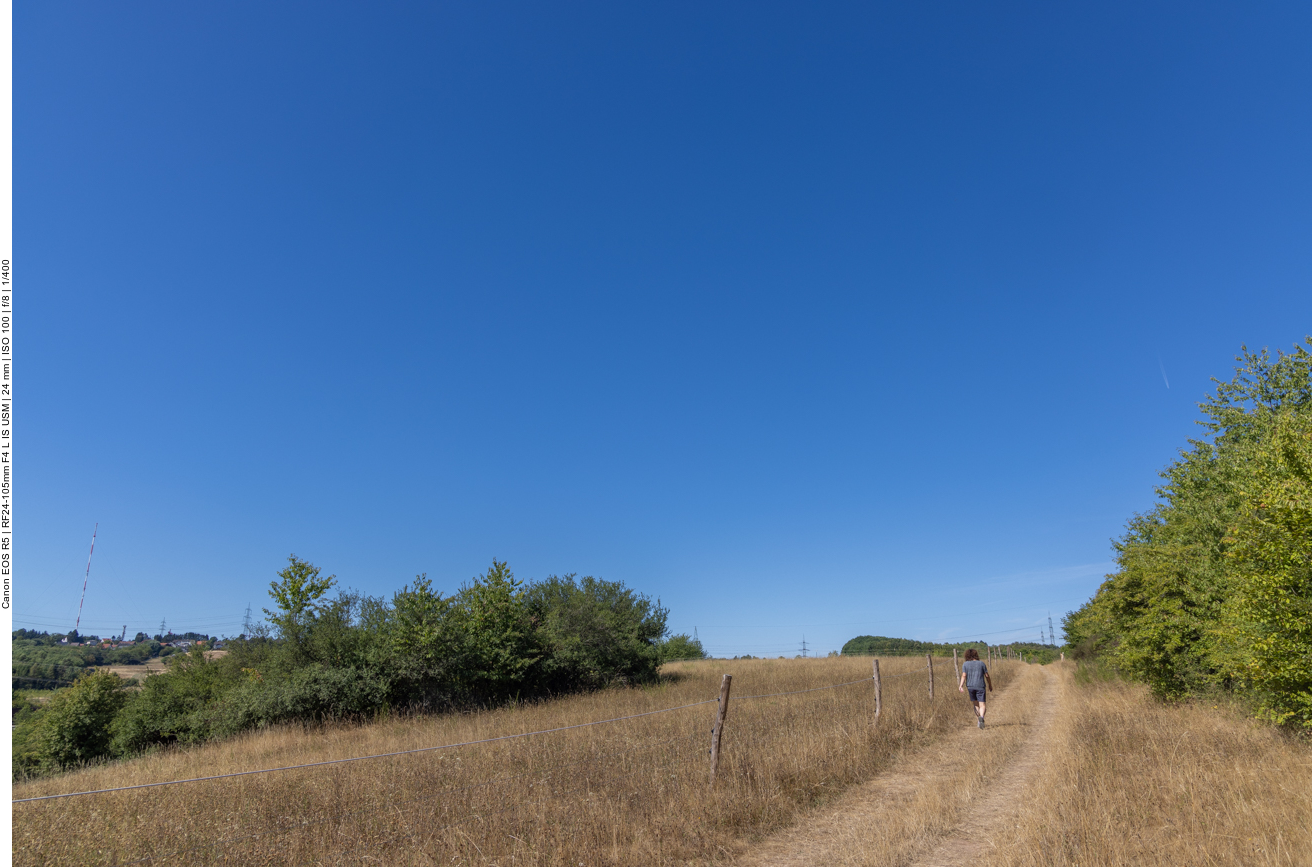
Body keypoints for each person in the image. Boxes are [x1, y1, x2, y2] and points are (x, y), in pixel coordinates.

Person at [958, 648, 992, 728]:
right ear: (976, 655)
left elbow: (964, 675)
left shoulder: (965, 664)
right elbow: (987, 675)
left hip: (970, 686)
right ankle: (982, 717)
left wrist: (961, 685)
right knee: (982, 705)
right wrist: (990, 684)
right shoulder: (981, 663)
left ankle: (979, 721)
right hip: (980, 686)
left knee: (976, 704)